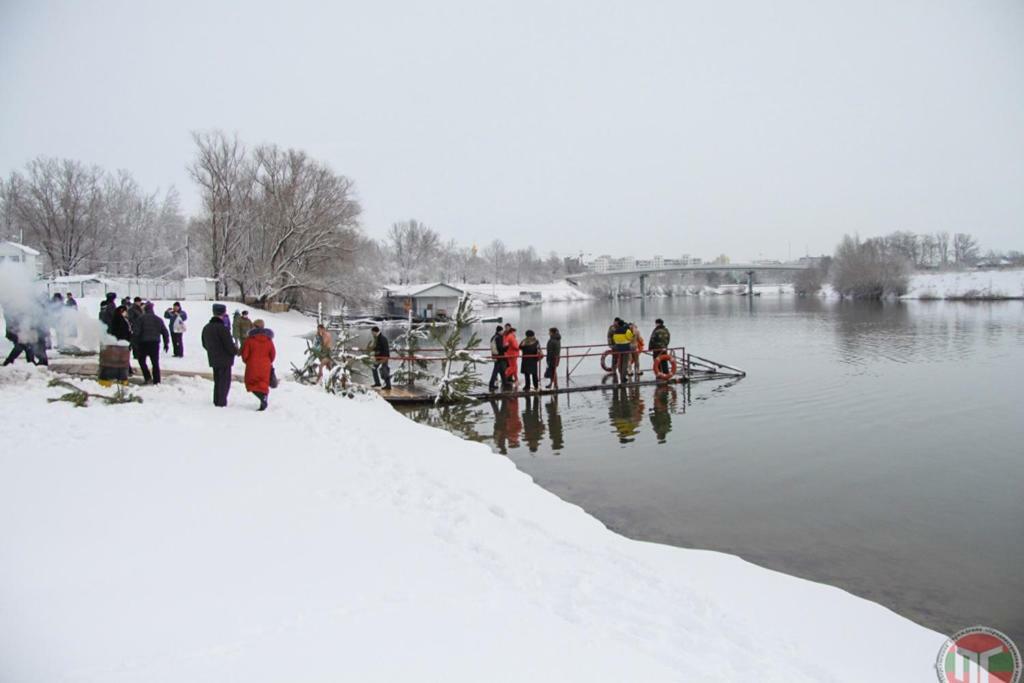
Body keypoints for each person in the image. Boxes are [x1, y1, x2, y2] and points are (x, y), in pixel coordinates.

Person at [202, 303, 236, 407]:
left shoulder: (207, 327)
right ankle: (221, 402)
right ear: (223, 313)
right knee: (224, 382)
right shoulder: (223, 328)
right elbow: (229, 345)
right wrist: (235, 351)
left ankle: (216, 400)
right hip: (225, 359)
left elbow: (204, 343)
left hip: (213, 358)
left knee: (217, 380)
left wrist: (212, 351)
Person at [241, 318, 276, 411]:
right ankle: (263, 398)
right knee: (263, 383)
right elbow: (273, 354)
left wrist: (247, 361)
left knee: (251, 383)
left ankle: (262, 397)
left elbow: (245, 354)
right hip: (265, 365)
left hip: (252, 365)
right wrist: (268, 362)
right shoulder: (269, 340)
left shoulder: (250, 340)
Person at [131, 302, 169, 384]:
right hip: (155, 343)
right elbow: (165, 332)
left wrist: (134, 343)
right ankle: (157, 381)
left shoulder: (140, 319)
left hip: (143, 343)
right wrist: (166, 343)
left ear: (145, 310)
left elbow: (136, 332)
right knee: (155, 363)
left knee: (142, 361)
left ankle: (147, 377)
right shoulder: (158, 319)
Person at [609, 318, 634, 384]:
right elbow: (631, 338)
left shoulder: (616, 331)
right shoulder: (627, 330)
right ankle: (623, 377)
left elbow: (614, 338)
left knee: (620, 362)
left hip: (618, 348)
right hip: (626, 348)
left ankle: (620, 375)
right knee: (625, 363)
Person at [370, 326, 391, 390]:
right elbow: (378, 347)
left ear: (374, 332)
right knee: (374, 368)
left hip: (383, 357)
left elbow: (384, 349)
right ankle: (378, 383)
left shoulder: (381, 338)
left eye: (372, 332)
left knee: (384, 371)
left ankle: (388, 385)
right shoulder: (379, 338)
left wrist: (382, 357)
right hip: (380, 357)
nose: (372, 334)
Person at [487, 325, 507, 392]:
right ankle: (491, 384)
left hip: (495, 355)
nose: (503, 332)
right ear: (499, 331)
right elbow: (500, 348)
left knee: (502, 370)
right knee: (495, 371)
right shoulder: (499, 337)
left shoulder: (494, 337)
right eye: (502, 330)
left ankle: (505, 383)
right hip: (499, 356)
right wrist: (506, 347)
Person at [503, 325, 520, 390]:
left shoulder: (507, 336)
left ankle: (516, 379)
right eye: (515, 332)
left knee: (514, 367)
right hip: (513, 354)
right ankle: (505, 376)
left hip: (509, 354)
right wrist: (519, 347)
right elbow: (515, 346)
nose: (515, 333)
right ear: (512, 331)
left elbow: (505, 345)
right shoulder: (511, 337)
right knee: (513, 367)